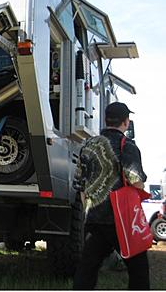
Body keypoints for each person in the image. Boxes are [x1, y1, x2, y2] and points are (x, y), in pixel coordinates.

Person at [73, 102, 149, 290]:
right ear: (126, 122)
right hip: (121, 219)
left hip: (96, 218)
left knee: (88, 268)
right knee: (138, 269)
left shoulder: (88, 145)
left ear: (106, 120)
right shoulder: (127, 145)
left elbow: (80, 183)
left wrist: (89, 209)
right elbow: (136, 180)